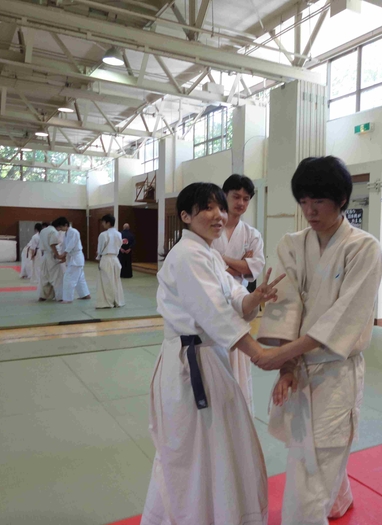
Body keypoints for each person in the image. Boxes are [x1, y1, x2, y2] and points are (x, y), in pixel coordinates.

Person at [139, 182, 284, 525]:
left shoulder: (208, 254)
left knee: (216, 445)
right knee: (193, 448)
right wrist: (257, 353)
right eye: (207, 208)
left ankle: (216, 513)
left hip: (210, 358)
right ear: (185, 216)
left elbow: (233, 296)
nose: (218, 215)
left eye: (220, 207)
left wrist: (254, 297)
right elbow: (214, 313)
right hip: (191, 364)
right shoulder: (188, 255)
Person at [254, 156, 382, 525]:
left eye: (319, 201)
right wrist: (287, 366)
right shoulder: (292, 245)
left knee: (312, 465)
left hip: (335, 369)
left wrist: (280, 355)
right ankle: (338, 500)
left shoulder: (364, 248)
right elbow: (285, 308)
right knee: (310, 450)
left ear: (341, 200)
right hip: (300, 366)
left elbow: (344, 317)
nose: (309, 211)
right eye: (303, 201)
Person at [212, 174, 265, 416]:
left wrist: (222, 260)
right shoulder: (211, 228)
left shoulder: (251, 234)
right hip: (210, 297)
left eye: (246, 198)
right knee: (213, 356)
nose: (241, 203)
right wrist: (240, 263)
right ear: (224, 195)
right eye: (236, 196)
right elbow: (204, 266)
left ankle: (238, 414)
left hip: (238, 301)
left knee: (238, 356)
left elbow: (254, 269)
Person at [52, 217, 91, 304]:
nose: (60, 229)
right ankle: (85, 295)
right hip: (74, 258)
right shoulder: (66, 233)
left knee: (68, 278)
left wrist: (63, 254)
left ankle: (68, 299)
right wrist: (63, 256)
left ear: (66, 225)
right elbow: (65, 246)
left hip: (76, 259)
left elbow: (71, 245)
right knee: (80, 279)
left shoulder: (74, 232)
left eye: (61, 227)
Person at [95, 214, 125, 309]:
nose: (103, 224)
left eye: (103, 222)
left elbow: (100, 249)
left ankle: (107, 302)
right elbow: (119, 246)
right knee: (116, 280)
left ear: (108, 223)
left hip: (106, 258)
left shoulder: (103, 234)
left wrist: (98, 258)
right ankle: (117, 301)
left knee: (106, 281)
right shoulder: (119, 234)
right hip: (115, 259)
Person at [37, 222, 64, 301]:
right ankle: (60, 297)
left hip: (44, 256)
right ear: (58, 226)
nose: (60, 230)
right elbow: (53, 245)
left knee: (44, 277)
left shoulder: (43, 231)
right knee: (57, 277)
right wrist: (58, 255)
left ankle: (43, 296)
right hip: (52, 256)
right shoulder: (53, 231)